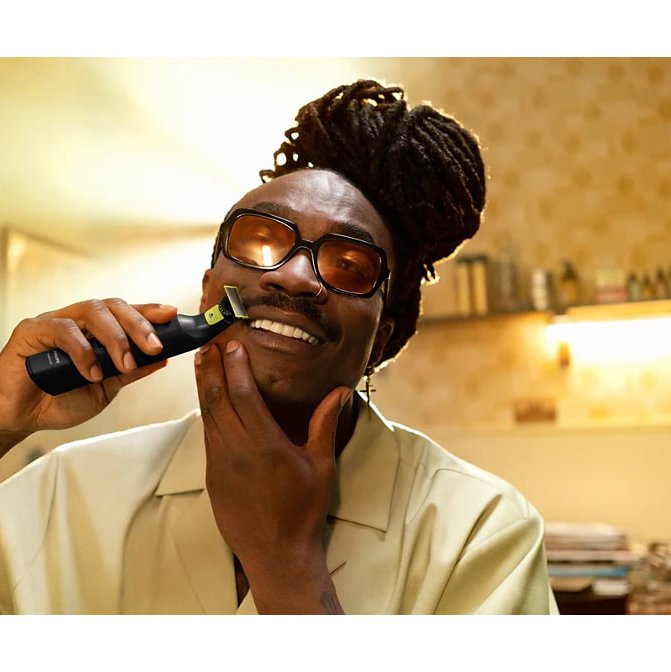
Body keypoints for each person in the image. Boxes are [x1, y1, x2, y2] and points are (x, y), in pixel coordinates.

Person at [0, 79, 558, 614]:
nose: (293, 277)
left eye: (348, 265)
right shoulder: (65, 491)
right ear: (208, 291)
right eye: (261, 242)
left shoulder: (482, 531)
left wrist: (284, 562)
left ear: (381, 340)